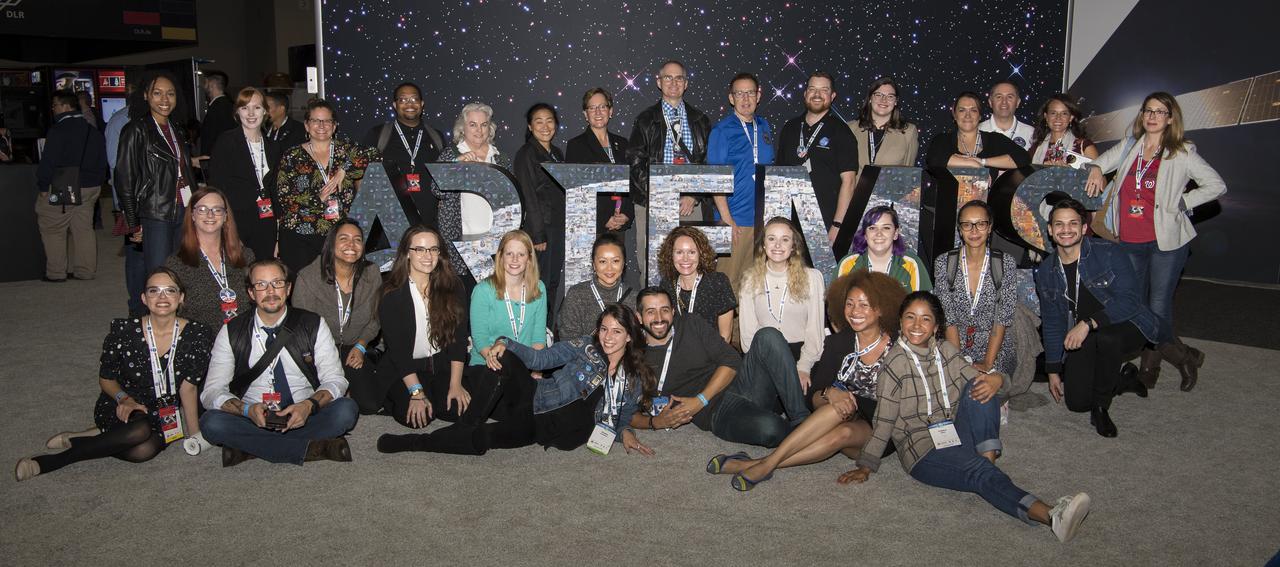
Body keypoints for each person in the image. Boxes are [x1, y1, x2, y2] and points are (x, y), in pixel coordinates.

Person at [839, 292, 1093, 542]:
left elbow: (983, 381)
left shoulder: (946, 350)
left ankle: (987, 467)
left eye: (925, 319)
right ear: (901, 322)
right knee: (978, 471)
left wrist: (998, 378)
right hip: (922, 450)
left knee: (980, 386)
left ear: (936, 326)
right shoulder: (893, 365)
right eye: (910, 317)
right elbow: (883, 420)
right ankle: (1051, 516)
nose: (917, 325)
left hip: (953, 430)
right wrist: (866, 465)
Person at [706, 271, 904, 489]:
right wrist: (831, 394)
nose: (855, 311)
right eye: (850, 304)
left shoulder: (897, 347)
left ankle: (761, 464)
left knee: (844, 428)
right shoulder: (839, 343)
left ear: (881, 309)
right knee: (837, 414)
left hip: (881, 428)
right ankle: (765, 465)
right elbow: (813, 397)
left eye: (864, 305)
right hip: (843, 419)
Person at [1084, 92, 1227, 392]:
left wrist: (1184, 202)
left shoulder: (1182, 152)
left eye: (1160, 112)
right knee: (1135, 305)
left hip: (1167, 242)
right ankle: (1185, 355)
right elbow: (1094, 164)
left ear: (1171, 118)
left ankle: (1149, 366)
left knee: (1159, 307)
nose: (1152, 116)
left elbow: (1216, 185)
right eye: (1148, 110)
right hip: (1129, 241)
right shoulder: (1128, 147)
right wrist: (1096, 168)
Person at [15, 268, 214, 481]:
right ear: (144, 298)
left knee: (142, 452)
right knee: (139, 429)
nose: (162, 297)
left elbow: (189, 387)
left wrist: (195, 435)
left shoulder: (198, 334)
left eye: (170, 290)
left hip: (163, 411)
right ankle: (55, 461)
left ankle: (84, 438)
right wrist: (124, 399)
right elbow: (106, 378)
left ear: (181, 297)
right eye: (154, 291)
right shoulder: (124, 331)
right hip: (121, 404)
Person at [378, 304, 656, 456]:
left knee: (482, 440)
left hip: (539, 430)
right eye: (604, 329)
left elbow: (622, 418)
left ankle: (431, 438)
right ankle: (439, 434)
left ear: (629, 336)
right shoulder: (585, 347)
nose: (607, 337)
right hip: (533, 396)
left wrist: (625, 434)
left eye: (616, 332)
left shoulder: (634, 381)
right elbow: (540, 360)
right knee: (507, 360)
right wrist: (506, 343)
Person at [199, 258, 359, 466]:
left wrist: (307, 406)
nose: (271, 291)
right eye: (261, 285)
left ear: (288, 288)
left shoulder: (312, 324)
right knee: (211, 423)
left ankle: (251, 449)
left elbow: (336, 380)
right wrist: (246, 410)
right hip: (254, 416)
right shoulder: (232, 331)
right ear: (250, 293)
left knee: (346, 410)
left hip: (303, 413)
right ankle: (311, 448)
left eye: (277, 283)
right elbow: (212, 391)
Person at [1035, 199, 1154, 437]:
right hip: (1086, 335)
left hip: (1127, 324)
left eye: (1072, 223)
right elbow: (1052, 322)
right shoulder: (1047, 271)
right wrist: (1053, 370)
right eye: (1059, 224)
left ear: (1084, 227)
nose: (1066, 229)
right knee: (1077, 403)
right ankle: (1124, 380)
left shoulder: (1109, 252)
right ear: (1050, 229)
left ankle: (1101, 409)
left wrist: (1088, 323)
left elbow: (1131, 301)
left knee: (1108, 339)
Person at [631, 288, 809, 448]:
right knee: (772, 429)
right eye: (650, 312)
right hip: (717, 411)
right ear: (639, 317)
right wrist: (655, 422)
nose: (659, 318)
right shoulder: (636, 356)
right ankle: (775, 419)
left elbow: (732, 360)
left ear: (673, 311)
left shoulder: (690, 323)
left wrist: (701, 399)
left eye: (664, 310)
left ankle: (803, 422)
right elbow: (627, 414)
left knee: (768, 336)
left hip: (738, 385)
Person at [373, 225, 503, 427]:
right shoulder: (391, 293)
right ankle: (393, 397)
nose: (428, 256)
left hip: (441, 365)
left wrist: (456, 384)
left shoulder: (453, 286)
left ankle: (438, 391)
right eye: (420, 249)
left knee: (459, 412)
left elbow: (458, 340)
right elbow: (397, 351)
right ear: (407, 253)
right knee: (419, 419)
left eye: (433, 249)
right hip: (406, 368)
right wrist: (416, 393)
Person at [275, 99, 379, 274]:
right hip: (300, 234)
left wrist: (343, 170)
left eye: (327, 121)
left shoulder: (345, 151)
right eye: (315, 120)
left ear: (335, 125)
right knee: (303, 290)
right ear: (307, 126)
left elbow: (375, 154)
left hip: (337, 235)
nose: (321, 125)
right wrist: (318, 200)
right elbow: (285, 198)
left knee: (336, 286)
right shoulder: (292, 155)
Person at [627, 59, 712, 268]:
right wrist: (660, 194)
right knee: (652, 263)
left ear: (686, 83)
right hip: (652, 201)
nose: (673, 82)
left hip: (689, 203)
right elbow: (635, 162)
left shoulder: (700, 119)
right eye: (668, 77)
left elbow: (708, 163)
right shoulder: (645, 119)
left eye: (679, 78)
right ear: (659, 82)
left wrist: (694, 195)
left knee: (692, 262)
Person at [292, 219, 382, 413]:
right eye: (344, 238)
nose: (351, 245)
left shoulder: (372, 273)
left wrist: (361, 345)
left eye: (357, 240)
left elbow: (376, 318)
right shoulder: (307, 278)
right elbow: (302, 328)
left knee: (370, 405)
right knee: (318, 404)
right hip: (320, 350)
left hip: (353, 346)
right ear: (331, 244)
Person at [116, 70, 197, 282]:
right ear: (145, 95)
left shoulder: (176, 129)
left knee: (182, 270)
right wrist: (133, 223)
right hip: (155, 211)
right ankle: (154, 314)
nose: (165, 100)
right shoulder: (136, 130)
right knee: (160, 272)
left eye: (170, 94)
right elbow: (125, 178)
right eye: (157, 93)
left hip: (183, 207)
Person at [738, 217, 826, 392]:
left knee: (803, 397)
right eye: (771, 238)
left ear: (793, 245)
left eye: (785, 239)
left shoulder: (813, 277)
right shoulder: (749, 279)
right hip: (763, 356)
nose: (777, 245)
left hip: (801, 354)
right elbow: (748, 334)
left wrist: (804, 367)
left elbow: (815, 329)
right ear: (763, 244)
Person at [933, 200, 1020, 376]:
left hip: (995, 345)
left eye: (980, 224)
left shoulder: (1005, 263)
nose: (974, 231)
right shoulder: (944, 262)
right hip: (954, 343)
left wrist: (988, 364)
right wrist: (959, 363)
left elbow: (1001, 319)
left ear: (989, 228)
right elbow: (948, 318)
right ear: (960, 229)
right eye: (967, 225)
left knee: (986, 389)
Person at [775, 71, 859, 243]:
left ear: (832, 96)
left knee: (821, 271)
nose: (817, 95)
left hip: (825, 224)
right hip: (789, 223)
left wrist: (837, 225)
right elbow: (779, 176)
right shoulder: (790, 128)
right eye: (812, 89)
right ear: (805, 94)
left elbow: (849, 182)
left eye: (824, 90)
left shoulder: (842, 132)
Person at [707, 72, 775, 282]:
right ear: (731, 98)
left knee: (755, 286)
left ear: (758, 96)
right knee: (730, 285)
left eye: (750, 93)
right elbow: (715, 179)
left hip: (762, 223)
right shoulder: (721, 131)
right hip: (736, 221)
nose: (745, 99)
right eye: (739, 93)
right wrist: (727, 221)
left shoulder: (764, 127)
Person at [35, 90, 107, 282]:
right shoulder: (93, 130)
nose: (53, 109)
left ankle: (56, 272)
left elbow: (49, 161)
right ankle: (85, 271)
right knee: (83, 229)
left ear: (66, 107)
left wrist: (43, 186)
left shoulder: (59, 130)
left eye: (55, 105)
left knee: (53, 228)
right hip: (91, 185)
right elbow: (103, 160)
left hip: (63, 184)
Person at [162, 186, 253, 329]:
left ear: (225, 216)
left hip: (243, 337)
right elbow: (166, 313)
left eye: (217, 210)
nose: (210, 215)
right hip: (200, 341)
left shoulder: (246, 256)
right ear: (192, 215)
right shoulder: (176, 263)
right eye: (202, 209)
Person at [207, 87, 282, 260]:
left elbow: (277, 188)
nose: (250, 113)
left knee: (265, 269)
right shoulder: (226, 142)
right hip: (236, 219)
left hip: (266, 220)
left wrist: (279, 228)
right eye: (244, 108)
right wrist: (225, 225)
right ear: (237, 112)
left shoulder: (274, 147)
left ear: (265, 111)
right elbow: (217, 186)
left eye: (256, 107)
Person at [361, 82, 446, 230]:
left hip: (428, 226)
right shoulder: (378, 135)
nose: (409, 104)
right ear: (395, 105)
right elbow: (361, 175)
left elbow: (444, 178)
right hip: (388, 228)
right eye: (403, 100)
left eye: (414, 99)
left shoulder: (436, 137)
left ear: (422, 103)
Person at [512, 103, 567, 320]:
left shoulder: (557, 153)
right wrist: (537, 234)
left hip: (558, 227)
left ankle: (546, 328)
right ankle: (535, 329)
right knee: (539, 282)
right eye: (539, 121)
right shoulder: (526, 153)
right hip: (541, 230)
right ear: (530, 126)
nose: (545, 126)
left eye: (549, 121)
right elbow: (528, 195)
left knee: (553, 281)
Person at [565, 88, 634, 247]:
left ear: (611, 111)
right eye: (592, 107)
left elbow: (632, 182)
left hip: (619, 225)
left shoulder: (623, 144)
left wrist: (626, 214)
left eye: (602, 106)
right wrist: (603, 219)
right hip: (592, 226)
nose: (598, 112)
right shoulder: (576, 146)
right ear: (585, 114)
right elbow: (575, 191)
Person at [469, 230, 548, 368]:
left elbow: (538, 338)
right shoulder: (483, 291)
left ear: (529, 259)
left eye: (521, 254)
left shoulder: (538, 288)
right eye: (509, 253)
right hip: (488, 366)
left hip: (525, 368)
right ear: (501, 256)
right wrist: (505, 369)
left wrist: (535, 369)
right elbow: (480, 339)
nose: (515, 259)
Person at [436, 101, 509, 245]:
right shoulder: (451, 155)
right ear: (463, 128)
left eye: (484, 124)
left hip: (494, 237)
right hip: (460, 237)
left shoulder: (500, 158)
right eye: (473, 124)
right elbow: (437, 190)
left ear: (490, 128)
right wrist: (456, 164)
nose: (479, 130)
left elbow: (508, 199)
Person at [656, 226, 736, 343]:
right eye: (679, 252)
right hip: (677, 353)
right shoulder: (667, 284)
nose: (685, 259)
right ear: (670, 255)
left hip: (712, 354)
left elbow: (725, 336)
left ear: (701, 254)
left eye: (692, 252)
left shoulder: (718, 282)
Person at [925, 91, 1031, 172]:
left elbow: (1023, 158)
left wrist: (982, 161)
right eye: (962, 110)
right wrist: (971, 163)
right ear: (954, 115)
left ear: (980, 115)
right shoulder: (943, 139)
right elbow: (934, 159)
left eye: (973, 110)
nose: (968, 115)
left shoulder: (995, 139)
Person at [834, 205, 932, 291]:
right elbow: (836, 307)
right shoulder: (847, 264)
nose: (879, 233)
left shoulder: (912, 264)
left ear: (896, 233)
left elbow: (923, 306)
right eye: (872, 228)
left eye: (886, 228)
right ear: (865, 234)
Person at [557, 232, 634, 340]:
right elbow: (569, 341)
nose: (609, 268)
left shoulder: (634, 297)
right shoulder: (576, 295)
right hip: (584, 356)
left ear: (624, 263)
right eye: (603, 261)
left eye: (615, 261)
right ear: (594, 264)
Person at [848, 77, 919, 171]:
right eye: (878, 95)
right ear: (870, 98)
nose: (884, 100)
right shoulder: (850, 128)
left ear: (896, 102)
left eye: (890, 96)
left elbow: (908, 174)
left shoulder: (908, 132)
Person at [1029, 94, 1099, 166]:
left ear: (1071, 117)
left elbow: (1099, 176)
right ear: (1046, 117)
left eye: (1064, 113)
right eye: (1053, 113)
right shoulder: (1035, 149)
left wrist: (1067, 172)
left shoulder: (1084, 147)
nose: (1058, 117)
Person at [978, 80, 1034, 151]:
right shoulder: (977, 131)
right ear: (990, 102)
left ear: (1018, 102)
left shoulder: (1031, 134)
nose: (1004, 102)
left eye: (1010, 97)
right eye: (999, 97)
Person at [197, 70, 236, 159]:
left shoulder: (216, 109)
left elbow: (211, 139)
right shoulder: (229, 105)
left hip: (216, 161)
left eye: (205, 83)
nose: (204, 86)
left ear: (212, 85)